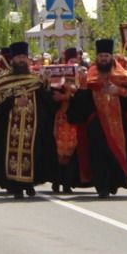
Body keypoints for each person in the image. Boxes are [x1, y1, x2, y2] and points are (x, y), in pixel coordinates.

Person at [66, 40, 127, 198]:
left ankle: (114, 182)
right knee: (98, 157)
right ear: (97, 58)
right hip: (97, 126)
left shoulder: (123, 76)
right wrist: (84, 89)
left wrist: (119, 91)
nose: (104, 58)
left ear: (111, 57)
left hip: (120, 125)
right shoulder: (90, 78)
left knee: (122, 156)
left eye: (106, 55)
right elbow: (79, 106)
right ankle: (102, 186)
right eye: (101, 56)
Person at [0, 41, 58, 197]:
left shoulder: (35, 79)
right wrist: (14, 102)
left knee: (35, 152)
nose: (22, 60)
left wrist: (46, 84)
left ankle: (29, 183)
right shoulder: (3, 82)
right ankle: (15, 185)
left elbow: (46, 102)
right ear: (13, 60)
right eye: (19, 57)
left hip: (32, 129)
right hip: (8, 128)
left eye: (24, 57)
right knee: (8, 154)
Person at [48, 49, 82, 193]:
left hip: (74, 119)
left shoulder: (81, 76)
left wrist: (67, 97)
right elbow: (51, 94)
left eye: (76, 61)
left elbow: (82, 96)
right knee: (57, 150)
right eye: (71, 61)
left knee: (73, 150)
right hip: (60, 119)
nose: (74, 63)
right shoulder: (57, 76)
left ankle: (68, 183)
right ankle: (56, 181)